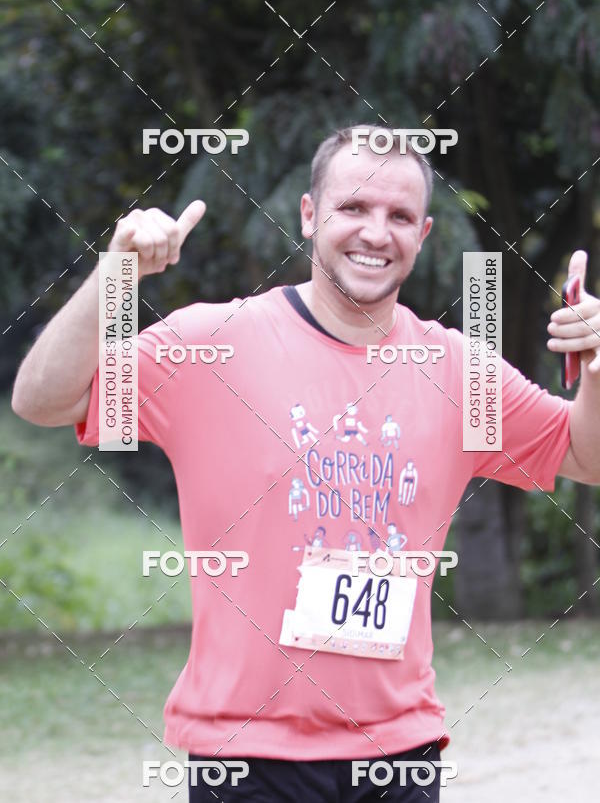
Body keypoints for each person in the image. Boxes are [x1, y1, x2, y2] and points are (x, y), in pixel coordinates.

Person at [11, 124, 600, 802]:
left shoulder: (457, 371)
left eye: (399, 216)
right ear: (309, 214)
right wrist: (116, 276)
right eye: (354, 207)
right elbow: (41, 399)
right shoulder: (210, 346)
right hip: (246, 759)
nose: (376, 233)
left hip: (398, 758)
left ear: (423, 235)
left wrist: (597, 370)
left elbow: (583, 455)